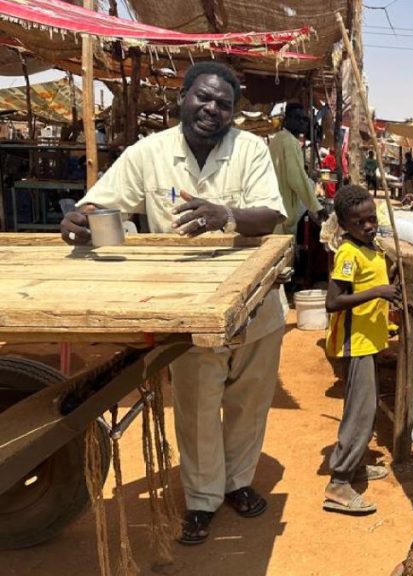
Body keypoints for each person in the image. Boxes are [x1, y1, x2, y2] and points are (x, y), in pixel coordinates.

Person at [60, 61, 287, 545]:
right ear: (182, 98)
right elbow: (101, 204)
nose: (212, 109)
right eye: (203, 97)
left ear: (233, 112)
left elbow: (269, 215)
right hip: (189, 306)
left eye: (224, 104)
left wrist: (226, 214)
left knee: (248, 400)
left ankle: (238, 482)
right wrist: (78, 218)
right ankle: (203, 499)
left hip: (256, 303)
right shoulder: (149, 153)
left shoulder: (250, 149)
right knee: (197, 404)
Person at [322, 184, 401, 515]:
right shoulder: (348, 254)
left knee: (365, 406)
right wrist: (378, 292)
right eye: (360, 222)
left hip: (369, 340)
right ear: (344, 225)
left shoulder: (371, 247)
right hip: (355, 342)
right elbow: (333, 301)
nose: (369, 226)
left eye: (372, 219)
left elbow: (372, 278)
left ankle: (354, 465)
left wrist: (388, 278)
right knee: (360, 410)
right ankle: (339, 482)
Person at [269, 103, 322, 235]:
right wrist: (316, 207)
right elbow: (296, 178)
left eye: (304, 119)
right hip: (284, 209)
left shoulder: (277, 138)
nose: (302, 123)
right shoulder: (290, 141)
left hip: (274, 206)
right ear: (287, 120)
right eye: (297, 118)